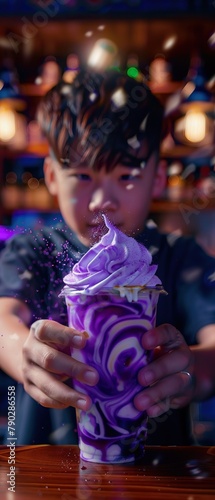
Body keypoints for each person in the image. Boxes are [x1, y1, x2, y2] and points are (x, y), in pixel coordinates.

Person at [0, 68, 215, 446]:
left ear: (159, 177)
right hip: (42, 473)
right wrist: (24, 355)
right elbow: (3, 321)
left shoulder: (179, 257)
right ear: (51, 176)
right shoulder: (33, 250)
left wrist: (189, 370)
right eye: (82, 176)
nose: (103, 201)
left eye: (127, 175)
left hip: (159, 474)